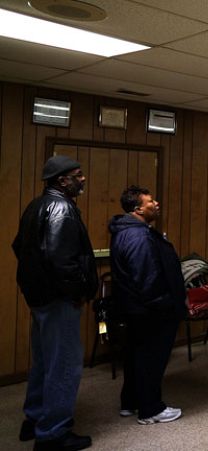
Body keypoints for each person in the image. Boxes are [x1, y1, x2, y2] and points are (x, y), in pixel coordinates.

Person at [13, 155, 97, 451]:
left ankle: (34, 419)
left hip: (39, 298)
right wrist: (77, 292)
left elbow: (18, 246)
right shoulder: (62, 208)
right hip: (59, 299)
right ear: (62, 180)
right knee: (64, 365)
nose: (83, 179)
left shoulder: (35, 205)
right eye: (78, 175)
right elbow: (62, 261)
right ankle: (53, 434)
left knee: (44, 360)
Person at [109, 186, 187, 425]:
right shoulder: (139, 236)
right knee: (151, 359)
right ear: (138, 209)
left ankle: (131, 402)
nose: (156, 204)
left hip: (135, 308)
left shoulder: (129, 231)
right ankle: (150, 409)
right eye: (151, 201)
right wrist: (165, 305)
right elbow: (147, 278)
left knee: (136, 356)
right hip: (151, 310)